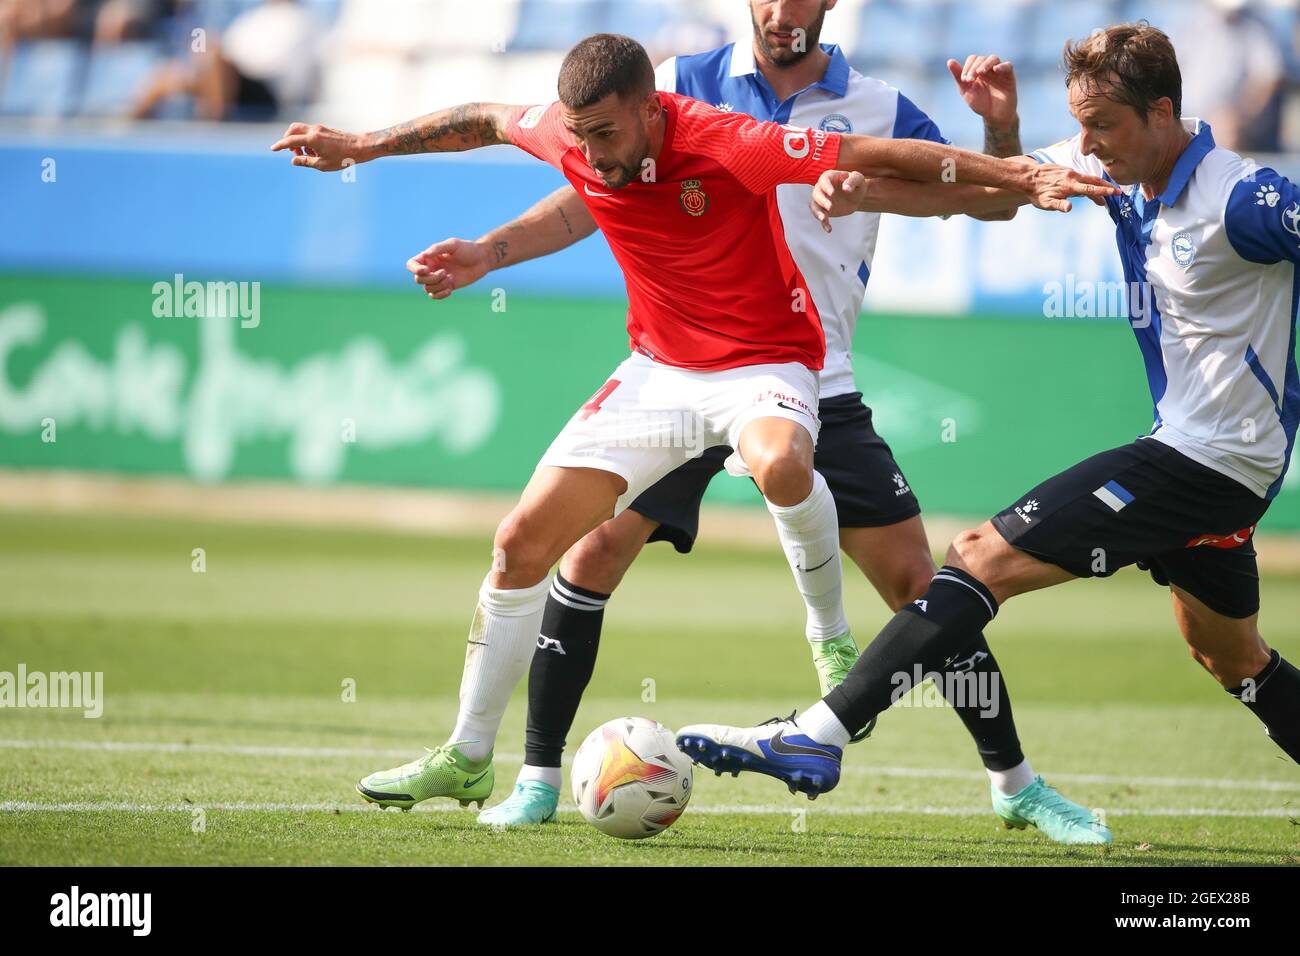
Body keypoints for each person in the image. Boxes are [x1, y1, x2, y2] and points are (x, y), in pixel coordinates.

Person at [270, 31, 1114, 816]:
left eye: (604, 135)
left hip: (785, 364)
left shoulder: (736, 133)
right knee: (537, 543)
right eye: (582, 136)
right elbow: (488, 123)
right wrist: (365, 149)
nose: (591, 155)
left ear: (646, 115)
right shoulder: (627, 104)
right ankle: (491, 762)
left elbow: (888, 156)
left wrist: (1021, 166)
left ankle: (1001, 773)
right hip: (662, 374)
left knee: (898, 569)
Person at [676, 24, 1300, 824]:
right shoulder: (1120, 167)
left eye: (1103, 126)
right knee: (1232, 657)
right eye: (1081, 124)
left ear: (1163, 111)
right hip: (1210, 460)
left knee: (977, 558)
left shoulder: (1241, 196)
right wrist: (874, 183)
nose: (1087, 144)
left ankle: (818, 733)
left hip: (1207, 458)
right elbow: (996, 188)